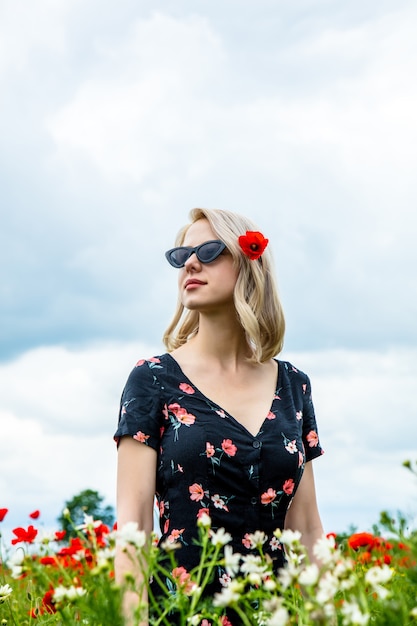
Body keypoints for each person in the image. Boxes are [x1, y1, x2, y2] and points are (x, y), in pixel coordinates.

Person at [114, 207, 324, 624]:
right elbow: (133, 529)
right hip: (183, 613)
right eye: (181, 255)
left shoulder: (294, 385)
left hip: (275, 614)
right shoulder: (152, 380)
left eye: (209, 251)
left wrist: (330, 617)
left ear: (250, 263)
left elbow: (307, 529)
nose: (190, 263)